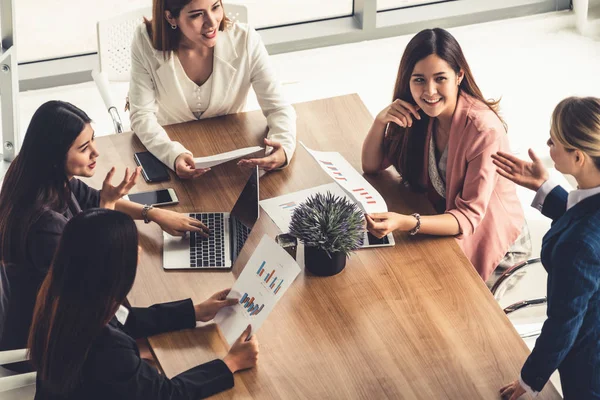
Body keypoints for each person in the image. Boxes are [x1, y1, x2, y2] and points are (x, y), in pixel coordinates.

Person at [0, 101, 209, 371]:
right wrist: (109, 213)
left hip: (56, 317)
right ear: (54, 154)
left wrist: (153, 213)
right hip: (43, 347)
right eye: (84, 148)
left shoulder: (41, 177)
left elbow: (97, 198)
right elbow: (97, 289)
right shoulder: (46, 226)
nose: (95, 152)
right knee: (170, 357)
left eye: (93, 140)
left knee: (169, 343)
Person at [28, 209, 258, 399]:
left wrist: (194, 312)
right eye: (132, 247)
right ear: (114, 271)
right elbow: (166, 395)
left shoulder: (62, 299)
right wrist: (230, 363)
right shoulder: (109, 348)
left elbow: (127, 319)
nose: (138, 251)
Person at [361, 28, 530, 282]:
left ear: (459, 75)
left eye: (440, 78)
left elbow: (468, 218)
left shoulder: (483, 131)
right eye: (419, 80)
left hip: (496, 247)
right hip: (443, 223)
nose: (429, 91)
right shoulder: (420, 114)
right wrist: (380, 121)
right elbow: (371, 164)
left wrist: (406, 222)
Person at [494, 97, 600, 399]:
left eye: (554, 139)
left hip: (589, 369)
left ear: (578, 157)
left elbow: (564, 323)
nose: (547, 143)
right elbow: (585, 215)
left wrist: (530, 380)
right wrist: (543, 186)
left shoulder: (579, 244)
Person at [129, 0, 296, 179]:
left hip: (232, 156)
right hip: (170, 154)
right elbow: (142, 116)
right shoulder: (145, 40)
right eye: (197, 14)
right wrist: (173, 155)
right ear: (171, 17)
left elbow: (278, 108)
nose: (212, 21)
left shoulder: (246, 39)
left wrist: (282, 148)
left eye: (215, 7)